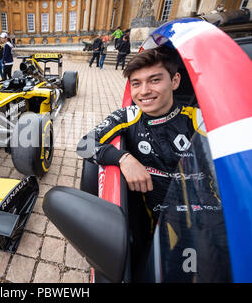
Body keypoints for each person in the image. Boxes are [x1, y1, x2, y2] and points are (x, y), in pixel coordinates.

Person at [77, 46, 206, 280]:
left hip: (204, 225)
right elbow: (84, 145)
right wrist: (123, 158)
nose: (144, 91)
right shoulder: (129, 115)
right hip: (154, 231)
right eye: (136, 83)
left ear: (175, 81)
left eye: (154, 80)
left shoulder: (199, 120)